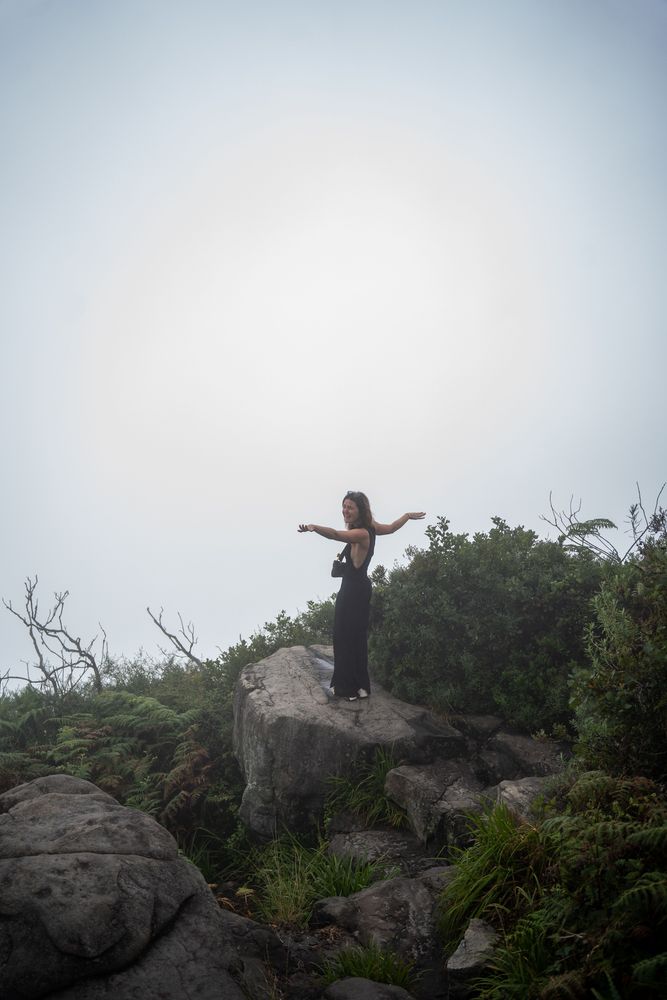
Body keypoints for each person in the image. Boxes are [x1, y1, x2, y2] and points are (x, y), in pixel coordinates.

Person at [298, 492, 425, 701]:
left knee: (343, 636)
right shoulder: (371, 527)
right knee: (356, 637)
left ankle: (346, 688)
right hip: (361, 587)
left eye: (350, 507)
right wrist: (406, 516)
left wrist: (314, 528)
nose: (345, 511)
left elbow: (335, 535)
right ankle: (361, 687)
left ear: (360, 510)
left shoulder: (361, 533)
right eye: (344, 506)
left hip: (351, 590)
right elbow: (392, 527)